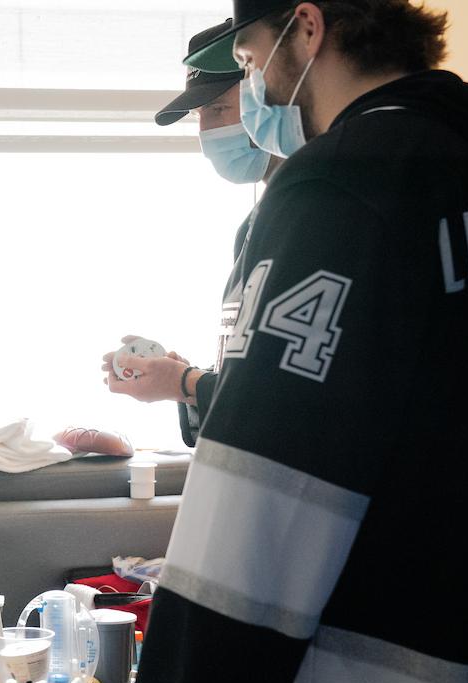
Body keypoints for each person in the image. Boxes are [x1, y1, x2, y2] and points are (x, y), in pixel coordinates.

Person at [66, 0, 468, 683]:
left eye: (249, 64)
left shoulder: (343, 182)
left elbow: (259, 529)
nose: (251, 91)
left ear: (308, 29)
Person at [104, 18, 282, 446]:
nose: (207, 132)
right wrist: (184, 376)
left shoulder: (311, 217)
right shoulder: (254, 225)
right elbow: (255, 373)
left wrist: (184, 382)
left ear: (268, 99)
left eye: (219, 110)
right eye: (201, 116)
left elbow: (292, 396)